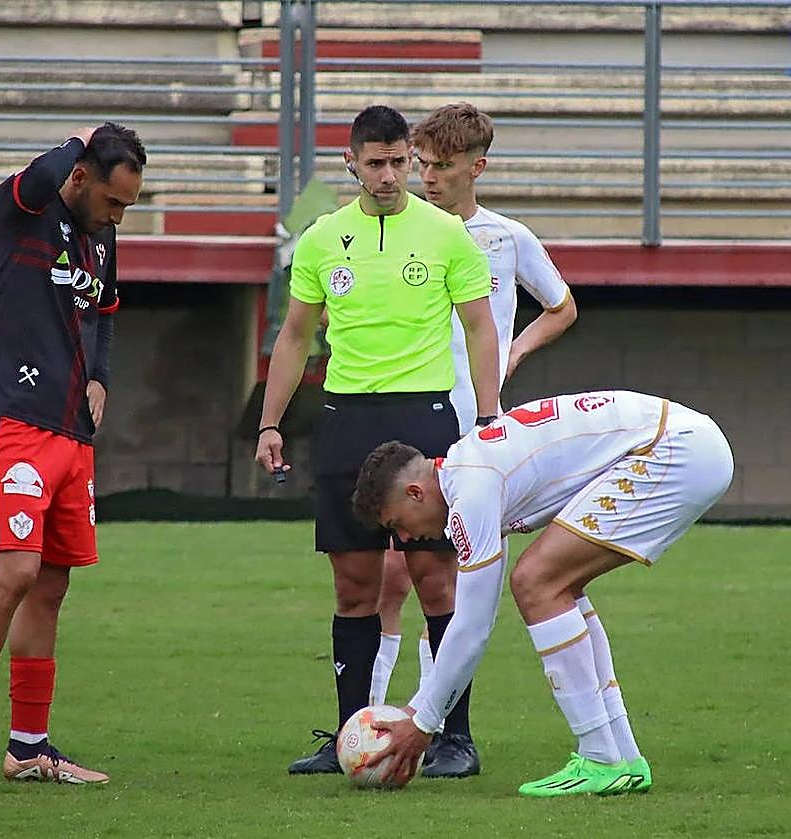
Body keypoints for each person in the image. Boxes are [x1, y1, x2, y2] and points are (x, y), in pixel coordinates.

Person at [254, 105, 500, 776]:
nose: (389, 175)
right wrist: (271, 422)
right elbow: (296, 336)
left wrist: (487, 416)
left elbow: (480, 327)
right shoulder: (322, 238)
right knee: (354, 587)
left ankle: (455, 738)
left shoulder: (447, 234)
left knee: (436, 582)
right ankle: (347, 737)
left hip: (424, 418)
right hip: (346, 420)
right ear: (352, 163)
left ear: (411, 160)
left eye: (399, 162)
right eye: (376, 163)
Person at [351, 390, 734, 796]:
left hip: (673, 449)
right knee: (556, 583)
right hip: (685, 440)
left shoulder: (471, 492)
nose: (404, 538)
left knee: (536, 580)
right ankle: (623, 756)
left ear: (415, 493)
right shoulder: (468, 470)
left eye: (397, 524)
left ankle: (600, 757)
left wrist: (422, 721)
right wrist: (420, 712)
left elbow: (473, 624)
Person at [0, 123, 145, 789]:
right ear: (79, 175)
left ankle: (29, 744)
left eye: (128, 205)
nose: (118, 216)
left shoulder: (102, 237)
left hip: (70, 427)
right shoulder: (21, 209)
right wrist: (81, 137)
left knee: (52, 582)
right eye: (113, 200)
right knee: (17, 570)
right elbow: (43, 175)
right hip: (13, 417)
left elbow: (104, 311)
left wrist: (100, 377)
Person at [368, 103, 578, 777]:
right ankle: (372, 722)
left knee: (444, 583)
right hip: (408, 416)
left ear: (476, 168)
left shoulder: (506, 238)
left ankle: (447, 733)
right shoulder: (401, 230)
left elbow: (562, 306)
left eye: (443, 166)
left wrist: (512, 354)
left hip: (474, 432)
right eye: (422, 164)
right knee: (388, 580)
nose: (428, 177)